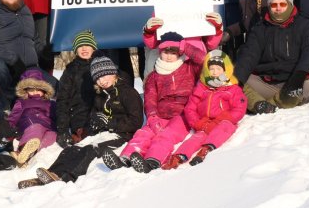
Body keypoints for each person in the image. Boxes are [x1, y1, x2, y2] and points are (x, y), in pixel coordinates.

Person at [19, 54, 144, 188]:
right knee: (72, 149)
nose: (102, 81)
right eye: (98, 78)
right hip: (101, 133)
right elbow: (94, 116)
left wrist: (110, 123)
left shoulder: (128, 93)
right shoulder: (100, 96)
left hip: (121, 135)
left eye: (105, 75)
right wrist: (94, 124)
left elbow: (136, 121)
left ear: (113, 73)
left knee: (89, 150)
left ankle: (65, 177)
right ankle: (50, 174)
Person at [98, 32, 204, 174]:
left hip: (182, 115)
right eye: (166, 51)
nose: (169, 55)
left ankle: (153, 160)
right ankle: (126, 157)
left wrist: (185, 46)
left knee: (166, 136)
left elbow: (204, 60)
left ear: (180, 52)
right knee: (144, 133)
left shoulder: (189, 67)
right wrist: (153, 117)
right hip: (160, 114)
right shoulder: (154, 75)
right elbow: (150, 98)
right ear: (160, 52)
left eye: (173, 52)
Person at [233, 0, 309, 113]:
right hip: (268, 83)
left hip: (295, 82)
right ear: (269, 6)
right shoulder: (260, 28)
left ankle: (263, 104)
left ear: (290, 4)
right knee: (237, 78)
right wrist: (238, 80)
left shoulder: (305, 25)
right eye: (274, 5)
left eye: (283, 4)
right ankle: (267, 103)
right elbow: (249, 55)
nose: (278, 8)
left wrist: (299, 76)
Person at [139, 0, 223, 78]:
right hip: (171, 60)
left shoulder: (203, 7)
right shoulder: (164, 7)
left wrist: (217, 28)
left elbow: (211, 44)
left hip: (196, 59)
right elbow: (152, 44)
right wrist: (149, 31)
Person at [163, 50, 246, 169]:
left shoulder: (232, 88)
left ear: (225, 70)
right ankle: (178, 156)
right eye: (211, 69)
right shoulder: (202, 87)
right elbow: (190, 107)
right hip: (204, 122)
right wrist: (198, 123)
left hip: (222, 122)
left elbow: (239, 108)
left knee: (225, 128)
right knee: (196, 137)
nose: (215, 72)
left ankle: (206, 149)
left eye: (218, 69)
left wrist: (220, 120)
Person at [55, 30, 98, 146]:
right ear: (75, 49)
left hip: (100, 114)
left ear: (93, 48)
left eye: (87, 45)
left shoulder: (102, 66)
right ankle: (79, 135)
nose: (84, 49)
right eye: (80, 46)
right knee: (85, 139)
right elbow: (62, 100)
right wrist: (62, 130)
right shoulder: (70, 71)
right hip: (79, 116)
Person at [7, 68, 57, 166]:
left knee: (52, 136)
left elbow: (56, 115)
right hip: (30, 123)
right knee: (36, 129)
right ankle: (22, 150)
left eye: (38, 89)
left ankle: (30, 154)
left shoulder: (50, 103)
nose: (35, 92)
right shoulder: (21, 102)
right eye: (31, 90)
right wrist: (9, 126)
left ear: (44, 90)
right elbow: (14, 116)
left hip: (47, 125)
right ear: (25, 90)